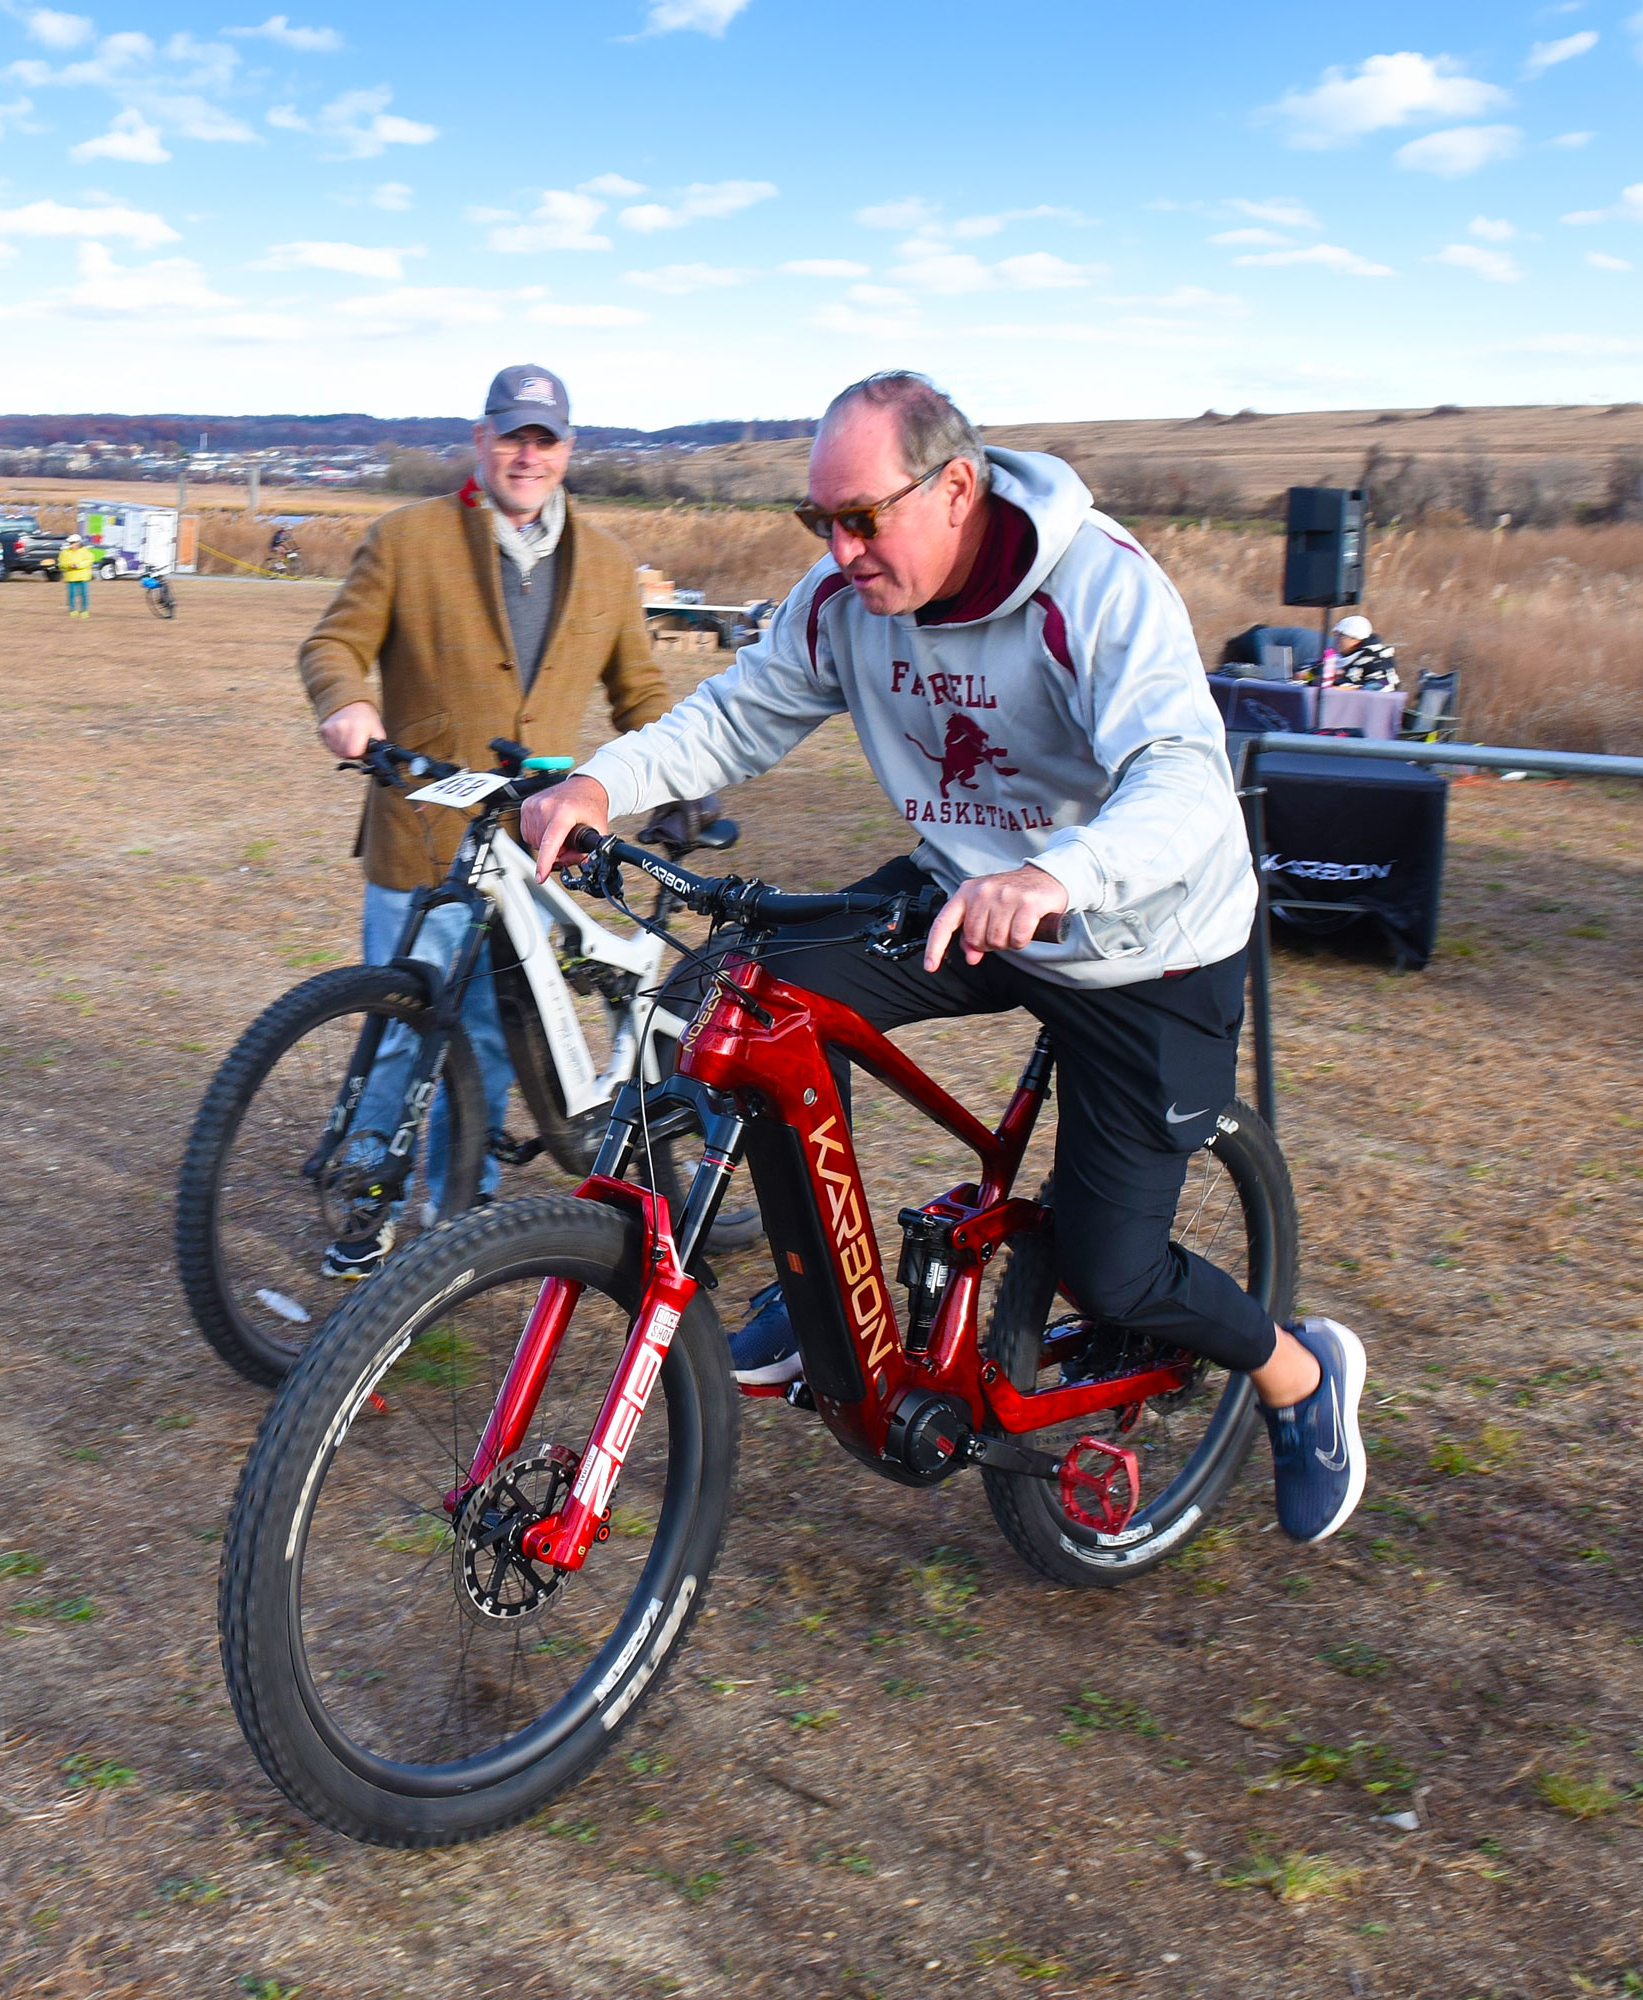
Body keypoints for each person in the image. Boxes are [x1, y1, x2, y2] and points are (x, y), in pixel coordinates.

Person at [523, 371, 1369, 1545]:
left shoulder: (1095, 587)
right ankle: (822, 1295)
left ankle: (1299, 1374)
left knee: (1107, 1272)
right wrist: (599, 780)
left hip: (1142, 941)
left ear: (956, 486)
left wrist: (1054, 874)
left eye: (860, 516)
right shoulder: (842, 600)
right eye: (817, 520)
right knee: (737, 997)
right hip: (964, 897)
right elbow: (735, 713)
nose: (839, 546)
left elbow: (1181, 775)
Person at [297, 362, 679, 1277]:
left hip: (531, 852)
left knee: (491, 1035)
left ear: (568, 451)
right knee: (402, 1023)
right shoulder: (406, 538)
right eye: (512, 435)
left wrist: (681, 778)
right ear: (481, 440)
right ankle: (368, 1196)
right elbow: (334, 644)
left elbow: (641, 691)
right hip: (420, 836)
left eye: (545, 439)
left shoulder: (610, 565)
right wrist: (346, 705)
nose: (527, 454)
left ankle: (457, 1208)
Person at [1330, 613, 1397, 689]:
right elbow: (1314, 673)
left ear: (1355, 638)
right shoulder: (1333, 658)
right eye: (1336, 635)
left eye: (1341, 636)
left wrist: (1343, 688)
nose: (1337, 639)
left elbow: (1383, 685)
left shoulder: (1375, 661)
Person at [58, 533, 94, 618]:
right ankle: (73, 610)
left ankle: (84, 610)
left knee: (84, 594)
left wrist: (79, 565)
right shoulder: (64, 553)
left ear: (78, 542)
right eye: (71, 543)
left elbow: (90, 560)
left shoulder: (85, 551)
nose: (73, 544)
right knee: (71, 595)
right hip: (71, 577)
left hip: (83, 576)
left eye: (74, 542)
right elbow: (61, 564)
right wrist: (69, 565)